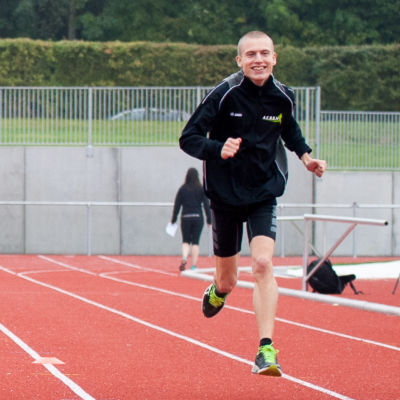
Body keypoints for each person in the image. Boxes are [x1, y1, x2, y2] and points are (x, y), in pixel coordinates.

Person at [179, 31, 327, 377]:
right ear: (240, 61)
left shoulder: (283, 97)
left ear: (274, 58)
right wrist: (219, 149)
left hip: (263, 193)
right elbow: (188, 138)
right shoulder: (224, 93)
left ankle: (266, 350)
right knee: (229, 280)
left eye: (264, 53)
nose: (258, 60)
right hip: (225, 196)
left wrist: (306, 157)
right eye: (251, 55)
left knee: (262, 263)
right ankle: (218, 290)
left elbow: (290, 131)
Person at [171, 167, 212, 271]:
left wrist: (173, 219)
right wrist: (209, 219)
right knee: (195, 242)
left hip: (185, 217)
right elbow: (206, 204)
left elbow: (177, 205)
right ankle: (193, 265)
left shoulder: (182, 189)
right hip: (198, 217)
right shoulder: (201, 188)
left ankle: (184, 257)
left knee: (185, 240)